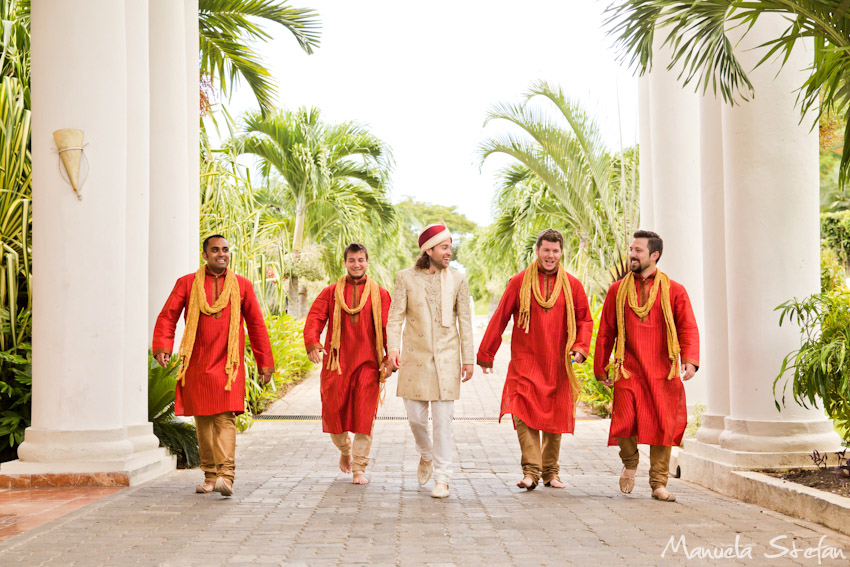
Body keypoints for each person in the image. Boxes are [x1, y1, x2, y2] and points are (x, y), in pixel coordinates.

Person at [152, 235, 274, 497]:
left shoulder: (242, 286)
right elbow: (168, 316)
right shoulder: (187, 283)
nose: (222, 254)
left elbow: (256, 326)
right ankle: (210, 476)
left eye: (226, 250)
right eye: (215, 250)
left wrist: (265, 363)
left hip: (229, 364)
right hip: (197, 362)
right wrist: (163, 346)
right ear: (204, 255)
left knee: (225, 417)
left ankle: (226, 476)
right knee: (203, 420)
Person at [477, 229, 593, 490]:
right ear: (537, 251)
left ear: (561, 252)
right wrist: (486, 354)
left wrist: (580, 347)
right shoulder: (519, 281)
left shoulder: (572, 285)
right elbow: (500, 316)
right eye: (546, 250)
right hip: (525, 361)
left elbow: (585, 318)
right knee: (521, 412)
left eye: (555, 251)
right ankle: (531, 471)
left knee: (555, 416)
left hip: (557, 362)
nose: (550, 255)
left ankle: (551, 472)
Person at [594, 230, 699, 502]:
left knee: (662, 425)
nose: (632, 254)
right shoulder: (618, 291)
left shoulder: (674, 290)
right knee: (624, 421)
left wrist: (690, 359)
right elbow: (606, 330)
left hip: (663, 369)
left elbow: (687, 326)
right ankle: (630, 462)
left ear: (654, 255)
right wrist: (601, 366)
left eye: (638, 250)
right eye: (631, 249)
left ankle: (658, 484)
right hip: (629, 368)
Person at [386, 223, 474, 498]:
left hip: (447, 359)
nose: (449, 252)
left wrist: (467, 358)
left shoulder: (458, 279)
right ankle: (426, 454)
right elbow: (395, 317)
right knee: (415, 419)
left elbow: (465, 321)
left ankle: (443, 478)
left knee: (443, 422)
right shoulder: (405, 278)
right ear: (429, 249)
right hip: (415, 357)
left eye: (450, 246)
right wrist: (393, 348)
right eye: (444, 247)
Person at [304, 242, 392, 485]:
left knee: (364, 416)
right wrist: (312, 342)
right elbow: (315, 318)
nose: (356, 264)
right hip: (337, 363)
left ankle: (359, 468)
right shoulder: (331, 292)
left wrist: (389, 357)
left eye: (361, 260)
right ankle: (345, 450)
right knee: (333, 414)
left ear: (367, 262)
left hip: (367, 363)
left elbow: (388, 328)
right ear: (345, 263)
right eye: (352, 260)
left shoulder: (381, 294)